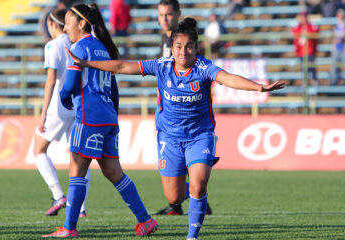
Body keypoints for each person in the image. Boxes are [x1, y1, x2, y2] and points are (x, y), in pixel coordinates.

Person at [65, 17, 285, 239]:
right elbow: (122, 66)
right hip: (169, 138)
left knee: (198, 186)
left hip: (200, 135)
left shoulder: (203, 68)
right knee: (174, 197)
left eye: (189, 46)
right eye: (178, 47)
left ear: (196, 48)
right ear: (172, 48)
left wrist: (259, 88)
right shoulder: (162, 66)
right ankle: (194, 175)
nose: (183, 52)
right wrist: (87, 63)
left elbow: (227, 78)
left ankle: (192, 234)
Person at [41, 3, 158, 238]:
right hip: (108, 118)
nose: (65, 30)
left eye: (69, 24)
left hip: (89, 117)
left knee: (77, 170)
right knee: (114, 171)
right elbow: (114, 88)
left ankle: (69, 228)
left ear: (82, 24)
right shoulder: (102, 48)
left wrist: (64, 100)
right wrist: (111, 114)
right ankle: (145, 220)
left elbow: (70, 85)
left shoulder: (79, 48)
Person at [157, 0, 213, 216]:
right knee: (173, 179)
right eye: (161, 14)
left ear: (178, 14)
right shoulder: (166, 39)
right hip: (168, 107)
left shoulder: (188, 41)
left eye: (169, 15)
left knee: (192, 156)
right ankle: (177, 202)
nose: (165, 19)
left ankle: (196, 197)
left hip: (191, 107)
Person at [33, 8, 90, 218]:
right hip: (78, 104)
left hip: (59, 106)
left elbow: (50, 81)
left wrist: (43, 113)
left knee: (38, 149)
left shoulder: (52, 45)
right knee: (79, 155)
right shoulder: (77, 42)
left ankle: (59, 195)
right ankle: (81, 207)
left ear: (52, 25)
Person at [292, 12, 319, 86]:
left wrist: (307, 33)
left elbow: (316, 31)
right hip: (301, 52)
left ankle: (314, 84)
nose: (302, 19)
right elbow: (294, 34)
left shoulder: (311, 26)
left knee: (311, 68)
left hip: (310, 51)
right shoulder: (298, 27)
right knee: (304, 70)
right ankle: (305, 86)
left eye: (304, 17)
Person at [331, 9, 345, 85]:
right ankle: (334, 82)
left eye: (341, 15)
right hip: (337, 48)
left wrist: (340, 37)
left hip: (343, 48)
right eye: (339, 15)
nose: (340, 16)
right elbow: (334, 38)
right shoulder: (336, 25)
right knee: (335, 67)